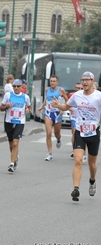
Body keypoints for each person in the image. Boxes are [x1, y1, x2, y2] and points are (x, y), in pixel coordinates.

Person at [51, 71, 100, 201]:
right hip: (80, 131)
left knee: (92, 164)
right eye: (83, 80)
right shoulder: (77, 96)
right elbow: (67, 106)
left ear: (92, 81)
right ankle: (76, 189)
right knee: (78, 160)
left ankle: (92, 180)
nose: (84, 82)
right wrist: (58, 105)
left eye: (87, 80)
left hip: (94, 132)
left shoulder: (98, 96)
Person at [0, 79, 31, 172]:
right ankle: (15, 157)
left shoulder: (25, 97)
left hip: (20, 122)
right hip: (9, 121)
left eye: (18, 86)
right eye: (14, 86)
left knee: (15, 143)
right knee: (11, 143)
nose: (16, 88)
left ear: (21, 87)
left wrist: (28, 110)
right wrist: (6, 106)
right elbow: (1, 108)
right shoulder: (8, 95)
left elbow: (29, 106)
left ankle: (11, 164)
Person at [37, 75, 68, 161]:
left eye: (54, 81)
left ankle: (58, 139)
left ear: (57, 82)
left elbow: (67, 100)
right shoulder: (47, 89)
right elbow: (46, 100)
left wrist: (63, 109)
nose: (52, 83)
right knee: (49, 133)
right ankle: (50, 153)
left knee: (56, 133)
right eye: (51, 81)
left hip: (58, 113)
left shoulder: (61, 90)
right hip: (48, 112)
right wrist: (41, 106)